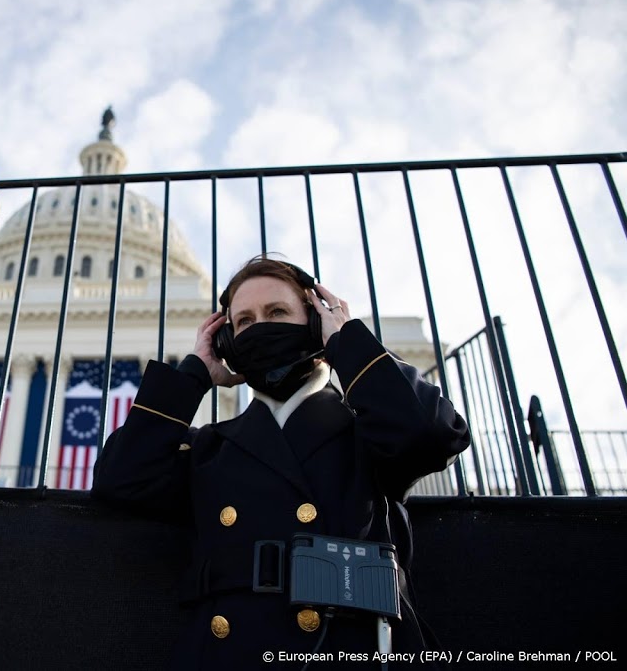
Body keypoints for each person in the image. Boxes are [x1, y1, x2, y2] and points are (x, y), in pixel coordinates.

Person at [92, 254, 471, 670]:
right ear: (229, 344)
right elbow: (119, 480)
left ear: (313, 323)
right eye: (245, 322)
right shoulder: (210, 448)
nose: (261, 329)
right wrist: (193, 376)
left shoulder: (370, 434)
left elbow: (434, 434)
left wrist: (347, 344)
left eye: (277, 312)